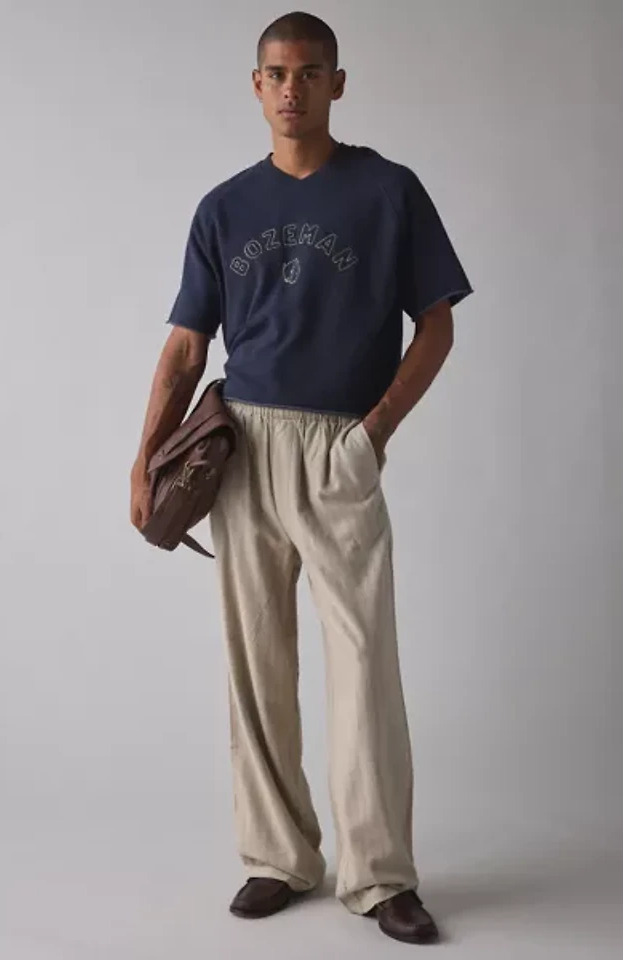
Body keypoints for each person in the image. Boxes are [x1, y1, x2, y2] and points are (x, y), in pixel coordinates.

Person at [130, 10, 472, 946]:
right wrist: (144, 455)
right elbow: (186, 346)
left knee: (364, 661)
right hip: (240, 443)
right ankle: (278, 857)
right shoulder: (223, 207)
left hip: (339, 445)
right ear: (256, 86)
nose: (293, 89)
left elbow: (438, 323)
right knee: (257, 659)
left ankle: (381, 874)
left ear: (337, 83)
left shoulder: (388, 190)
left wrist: (375, 431)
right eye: (277, 74)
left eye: (310, 72)